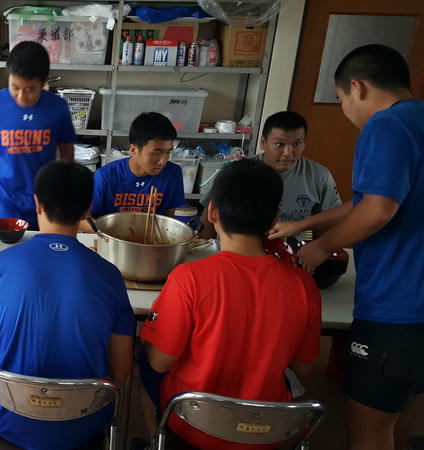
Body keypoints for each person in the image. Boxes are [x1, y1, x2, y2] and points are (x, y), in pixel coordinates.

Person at [269, 44, 424, 450]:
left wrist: (321, 247)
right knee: (401, 415)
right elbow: (372, 200)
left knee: (368, 429)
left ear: (357, 87)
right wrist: (304, 224)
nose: (345, 109)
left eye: (340, 99)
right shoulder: (418, 119)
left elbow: (377, 211)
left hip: (399, 305)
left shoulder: (386, 125)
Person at [139, 159, 321, 449]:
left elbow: (161, 361)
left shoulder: (189, 277)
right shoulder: (303, 285)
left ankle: (155, 442)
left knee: (144, 356)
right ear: (274, 219)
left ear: (212, 212)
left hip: (194, 425)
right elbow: (304, 367)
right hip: (267, 429)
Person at [0, 161, 135, 448]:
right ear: (88, 210)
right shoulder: (110, 275)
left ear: (37, 203)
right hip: (85, 423)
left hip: (10, 419)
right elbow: (122, 370)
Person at [0, 41, 76, 229]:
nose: (21, 96)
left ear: (44, 82)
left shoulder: (57, 108)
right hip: (1, 199)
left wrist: (65, 184)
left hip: (42, 199)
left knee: (38, 246)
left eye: (29, 89)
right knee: (0, 245)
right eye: (15, 87)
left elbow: (66, 150)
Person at [198, 111, 341, 239]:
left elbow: (328, 220)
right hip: (240, 251)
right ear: (263, 142)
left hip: (290, 252)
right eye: (279, 144)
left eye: (297, 144)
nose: (288, 153)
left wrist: (319, 248)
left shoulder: (319, 175)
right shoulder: (238, 172)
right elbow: (209, 216)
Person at [78, 112, 184, 234]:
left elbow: (169, 220)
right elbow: (81, 221)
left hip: (152, 240)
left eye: (167, 152)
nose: (162, 161)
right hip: (111, 239)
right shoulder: (106, 176)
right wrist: (115, 234)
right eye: (156, 152)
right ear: (133, 149)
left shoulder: (173, 173)